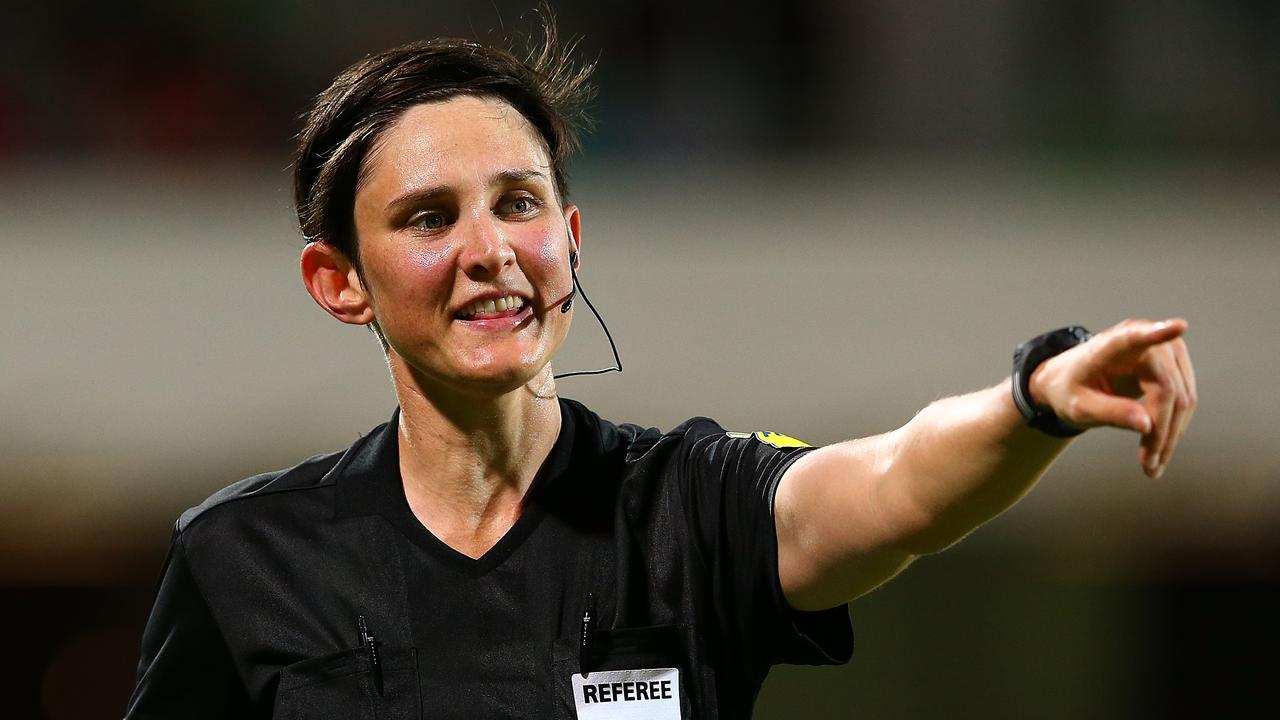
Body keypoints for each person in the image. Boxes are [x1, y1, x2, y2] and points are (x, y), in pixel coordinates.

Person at [125, 24, 1197, 720]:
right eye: (427, 217)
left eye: (518, 202)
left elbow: (893, 487)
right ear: (338, 281)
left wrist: (1033, 400)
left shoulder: (688, 507)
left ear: (571, 236)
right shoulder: (241, 558)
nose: (490, 249)